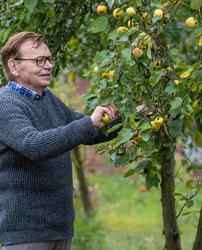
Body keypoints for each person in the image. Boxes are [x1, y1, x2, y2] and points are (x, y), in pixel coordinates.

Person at [0, 31, 121, 250]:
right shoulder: (5, 104)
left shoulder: (48, 99)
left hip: (60, 227)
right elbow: (33, 145)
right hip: (26, 234)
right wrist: (89, 124)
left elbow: (91, 133)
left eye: (49, 59)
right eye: (39, 60)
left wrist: (136, 116)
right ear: (14, 66)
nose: (48, 65)